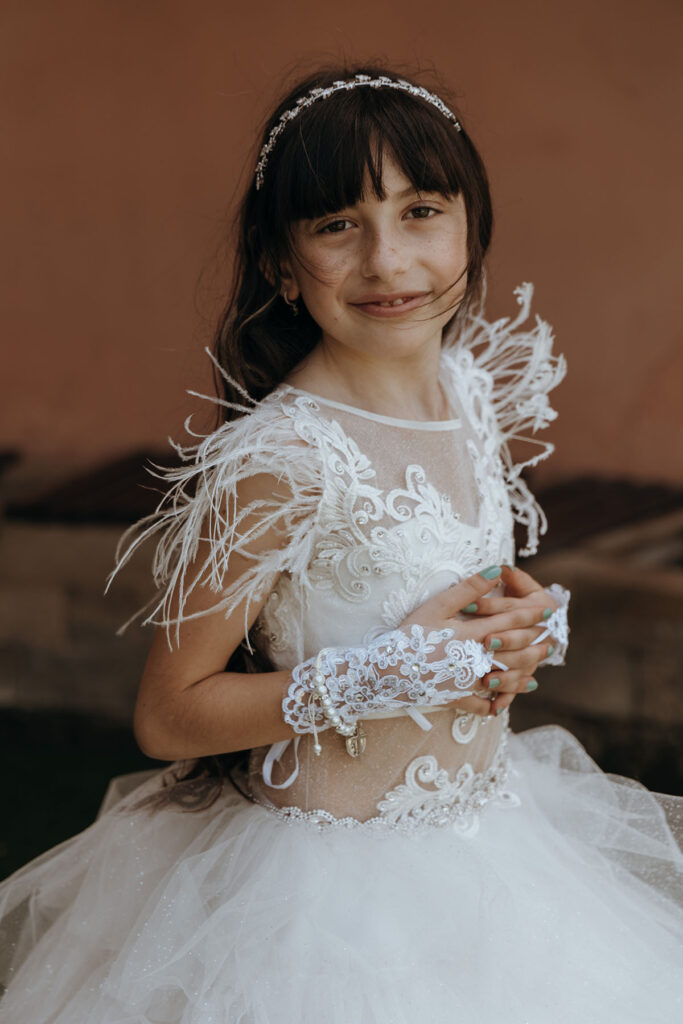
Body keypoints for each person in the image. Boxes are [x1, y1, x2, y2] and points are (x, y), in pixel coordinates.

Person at [0, 64, 681, 1024]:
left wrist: (513, 634)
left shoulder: (465, 390)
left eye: (420, 213)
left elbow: (449, 587)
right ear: (282, 263)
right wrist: (389, 672)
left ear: (471, 228)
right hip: (322, 908)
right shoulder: (282, 460)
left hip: (491, 854)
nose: (387, 261)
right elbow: (168, 713)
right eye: (335, 225)